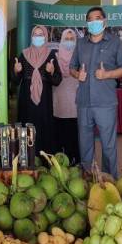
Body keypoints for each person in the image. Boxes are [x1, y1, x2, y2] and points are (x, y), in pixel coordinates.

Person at [69, 7, 122, 178]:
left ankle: (110, 180)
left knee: (108, 146)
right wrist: (77, 74)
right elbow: (71, 68)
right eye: (90, 19)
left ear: (104, 21)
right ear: (87, 23)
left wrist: (107, 74)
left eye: (97, 18)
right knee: (85, 145)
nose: (93, 22)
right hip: (83, 103)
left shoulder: (114, 42)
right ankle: (88, 179)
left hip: (105, 103)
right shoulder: (81, 44)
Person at [13, 25, 61, 154]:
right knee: (27, 128)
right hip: (26, 101)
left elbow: (57, 80)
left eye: (41, 35)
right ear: (31, 37)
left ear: (45, 37)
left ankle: (45, 160)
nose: (38, 37)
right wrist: (16, 72)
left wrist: (51, 72)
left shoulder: (50, 55)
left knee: (44, 128)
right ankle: (26, 159)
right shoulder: (24, 54)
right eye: (35, 34)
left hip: (44, 101)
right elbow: (15, 82)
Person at [53, 28, 80, 163]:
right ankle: (62, 162)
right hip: (59, 104)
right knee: (60, 134)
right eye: (66, 39)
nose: (69, 42)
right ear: (61, 40)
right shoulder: (55, 57)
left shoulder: (80, 57)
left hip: (76, 103)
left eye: (72, 39)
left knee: (75, 135)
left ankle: (76, 161)